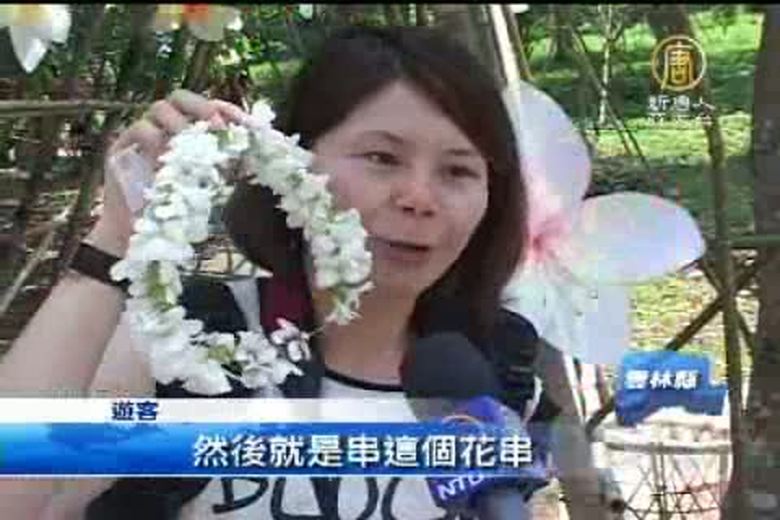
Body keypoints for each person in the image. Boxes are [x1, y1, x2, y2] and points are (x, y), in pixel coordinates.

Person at [0, 25, 553, 519]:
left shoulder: (495, 367)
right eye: (382, 158)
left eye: (457, 171)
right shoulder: (192, 351)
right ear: (292, 161)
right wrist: (113, 240)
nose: (419, 198)